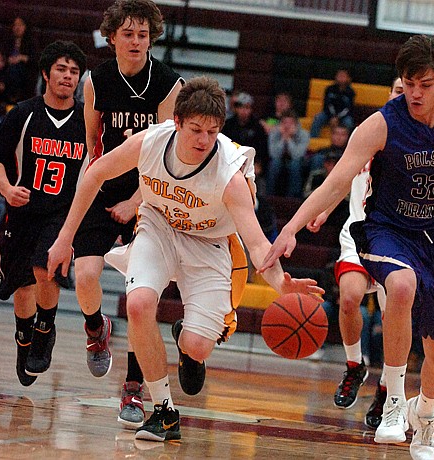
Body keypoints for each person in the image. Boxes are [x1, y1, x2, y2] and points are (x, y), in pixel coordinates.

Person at [47, 76, 325, 443]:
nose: (203, 140)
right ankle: (163, 411)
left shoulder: (229, 173)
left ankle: (188, 345)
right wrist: (65, 238)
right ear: (176, 122)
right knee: (140, 303)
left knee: (197, 344)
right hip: (158, 226)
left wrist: (281, 284)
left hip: (209, 245)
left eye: (212, 131)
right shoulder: (150, 142)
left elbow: (258, 244)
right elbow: (95, 173)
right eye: (195, 129)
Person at [260, 35, 434, 460]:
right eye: (409, 83)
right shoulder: (381, 124)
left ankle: (424, 416)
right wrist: (292, 228)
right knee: (400, 285)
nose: (414, 93)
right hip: (386, 230)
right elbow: (337, 181)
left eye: (425, 84)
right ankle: (394, 401)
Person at [72, 0, 183, 430]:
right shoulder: (95, 82)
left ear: (151, 38)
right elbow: (91, 146)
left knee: (142, 299)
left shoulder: (170, 84)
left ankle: (134, 387)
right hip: (105, 187)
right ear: (112, 37)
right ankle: (95, 327)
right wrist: (84, 196)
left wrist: (136, 200)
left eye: (143, 34)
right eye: (128, 33)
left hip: (152, 193)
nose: (136, 41)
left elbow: (166, 156)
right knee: (84, 277)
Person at [0, 40, 87, 387]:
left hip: (62, 213)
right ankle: (24, 338)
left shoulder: (88, 121)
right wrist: (8, 190)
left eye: (74, 72)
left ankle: (44, 331)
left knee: (46, 270)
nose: (67, 76)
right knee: (22, 288)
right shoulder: (24, 112)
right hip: (23, 210)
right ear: (45, 73)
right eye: (61, 69)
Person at [307, 77, 403, 429]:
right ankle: (354, 365)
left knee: (396, 319)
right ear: (390, 94)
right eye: (396, 89)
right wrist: (326, 210)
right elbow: (344, 177)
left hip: (399, 238)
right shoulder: (368, 131)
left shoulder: (418, 140)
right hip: (359, 231)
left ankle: (387, 388)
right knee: (348, 299)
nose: (402, 95)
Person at [221, 91, 269, 177]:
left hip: (251, 163)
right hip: (230, 162)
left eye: (247, 108)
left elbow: (263, 148)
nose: (244, 111)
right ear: (236, 109)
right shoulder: (228, 125)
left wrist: (259, 164)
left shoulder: (257, 127)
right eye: (241, 107)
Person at [266, 109, 309, 197]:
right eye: (285, 122)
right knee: (274, 163)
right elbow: (273, 154)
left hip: (297, 161)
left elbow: (297, 155)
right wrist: (283, 139)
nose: (287, 126)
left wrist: (289, 139)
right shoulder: (274, 132)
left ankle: (293, 198)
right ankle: (269, 195)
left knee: (294, 164)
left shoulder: (304, 134)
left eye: (291, 123)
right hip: (278, 159)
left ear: (296, 124)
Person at [309, 69, 355, 138]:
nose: (341, 78)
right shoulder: (329, 89)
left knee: (349, 122)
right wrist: (332, 116)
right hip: (328, 114)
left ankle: (346, 143)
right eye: (339, 76)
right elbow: (327, 104)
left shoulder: (351, 92)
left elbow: (348, 109)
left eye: (343, 76)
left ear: (348, 78)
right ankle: (313, 139)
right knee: (318, 118)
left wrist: (338, 117)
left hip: (343, 116)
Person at [3, 17, 35, 103]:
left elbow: (36, 59)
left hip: (25, 71)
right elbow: (3, 55)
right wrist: (8, 59)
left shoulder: (31, 42)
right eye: (15, 25)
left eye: (20, 25)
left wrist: (22, 58)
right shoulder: (8, 41)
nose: (17, 27)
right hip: (8, 69)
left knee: (16, 69)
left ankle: (15, 97)